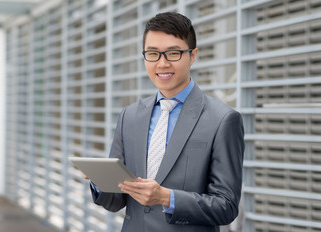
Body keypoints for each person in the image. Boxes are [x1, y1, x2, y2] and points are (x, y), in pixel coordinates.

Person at [86, 12, 244, 231]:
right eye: (153, 54)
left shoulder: (223, 119)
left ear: (193, 55)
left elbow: (226, 206)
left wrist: (167, 198)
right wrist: (100, 180)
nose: (162, 63)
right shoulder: (129, 116)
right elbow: (116, 201)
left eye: (173, 53)